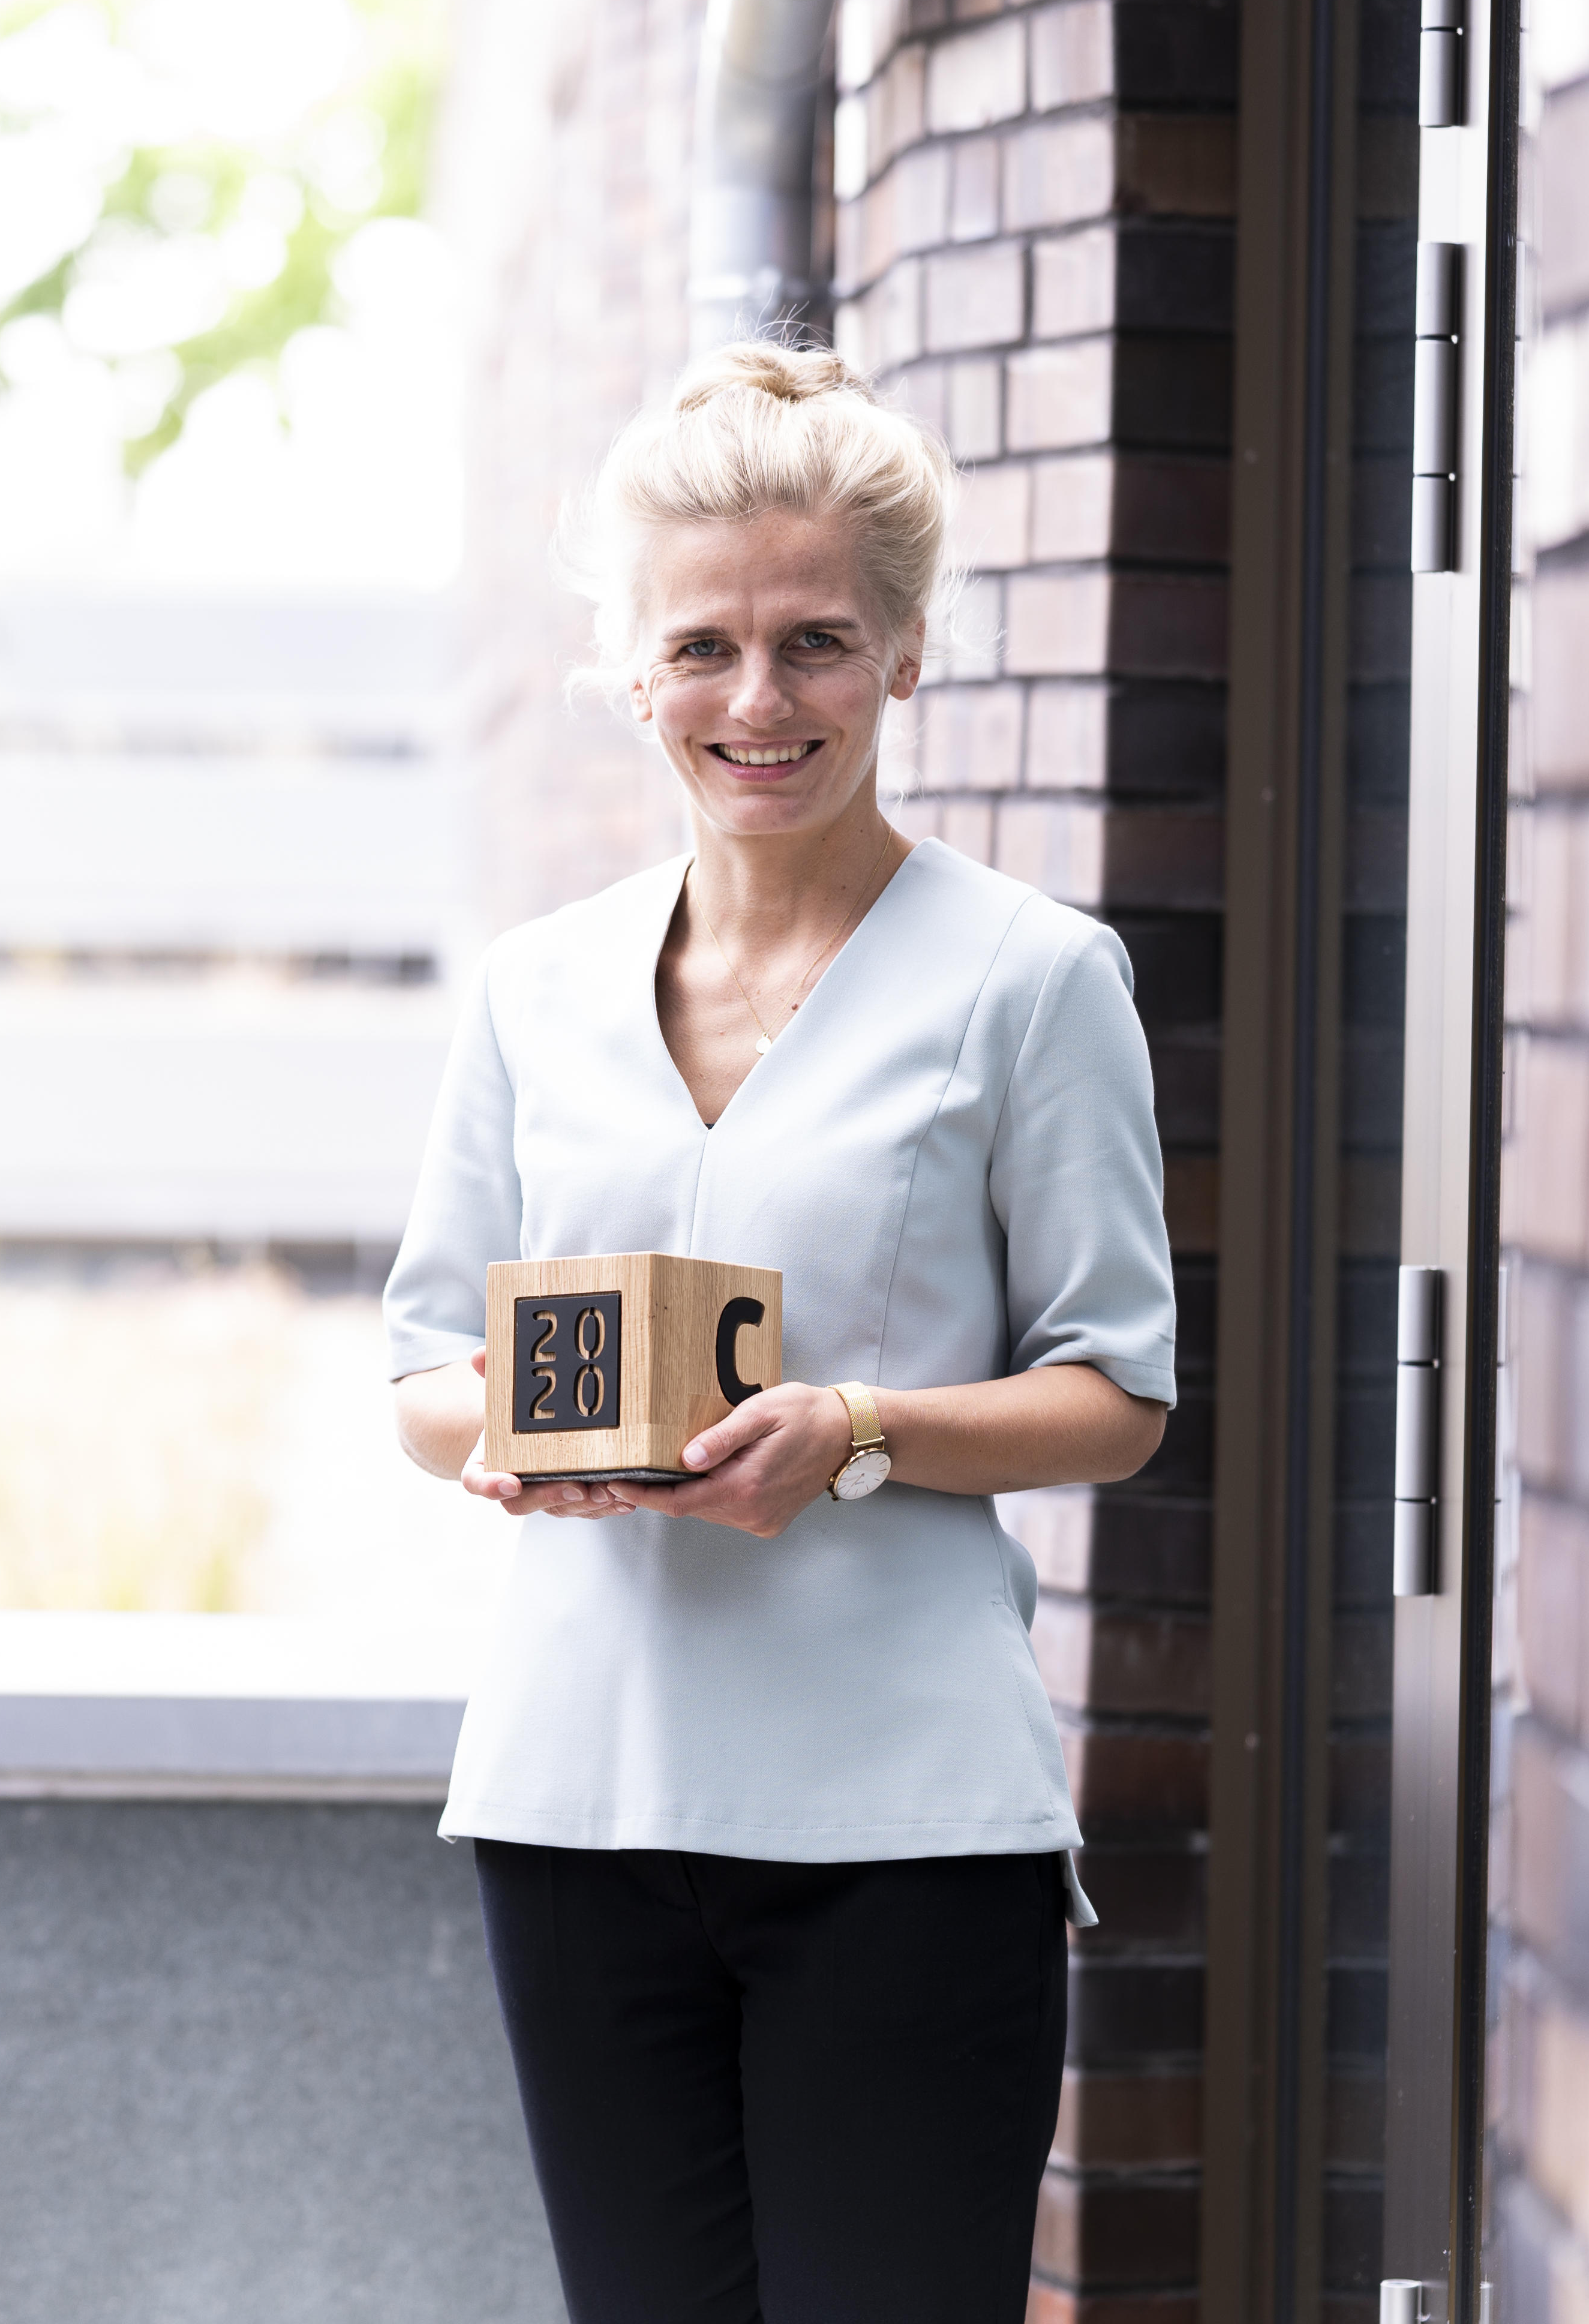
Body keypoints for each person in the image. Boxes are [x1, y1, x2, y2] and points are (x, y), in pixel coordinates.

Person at [384, 341, 1176, 2323]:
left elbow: (1118, 1395)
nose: (760, 702)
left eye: (818, 641)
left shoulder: (1034, 981)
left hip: (903, 1825)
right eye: (706, 648)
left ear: (904, 654)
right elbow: (423, 1362)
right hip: (577, 1804)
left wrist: (863, 1432)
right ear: (633, 668)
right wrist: (508, 1435)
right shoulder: (534, 990)